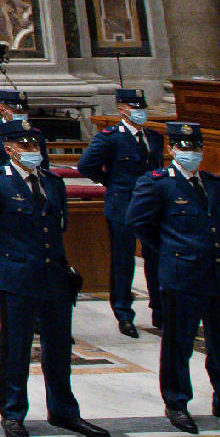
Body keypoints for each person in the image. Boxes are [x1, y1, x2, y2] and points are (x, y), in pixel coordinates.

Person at [0, 116, 109, 437]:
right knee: (16, 348)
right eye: (25, 144)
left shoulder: (52, 182)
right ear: (9, 149)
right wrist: (11, 247)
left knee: (58, 348)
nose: (33, 149)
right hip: (18, 275)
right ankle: (13, 413)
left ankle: (63, 410)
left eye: (36, 144)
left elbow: (59, 225)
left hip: (55, 274)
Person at [127, 122, 220, 435]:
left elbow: (218, 227)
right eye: (184, 147)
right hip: (183, 274)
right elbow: (138, 222)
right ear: (171, 149)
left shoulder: (213, 184)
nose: (191, 153)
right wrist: (172, 250)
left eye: (196, 147)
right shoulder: (157, 183)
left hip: (219, 275)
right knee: (178, 344)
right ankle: (177, 402)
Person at [75, 88, 166, 337]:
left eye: (141, 106)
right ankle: (124, 314)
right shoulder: (110, 138)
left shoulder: (154, 138)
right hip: (123, 205)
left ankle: (160, 310)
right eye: (134, 107)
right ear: (122, 109)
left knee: (156, 260)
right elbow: (86, 165)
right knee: (123, 262)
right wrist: (110, 183)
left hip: (152, 207)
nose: (139, 111)